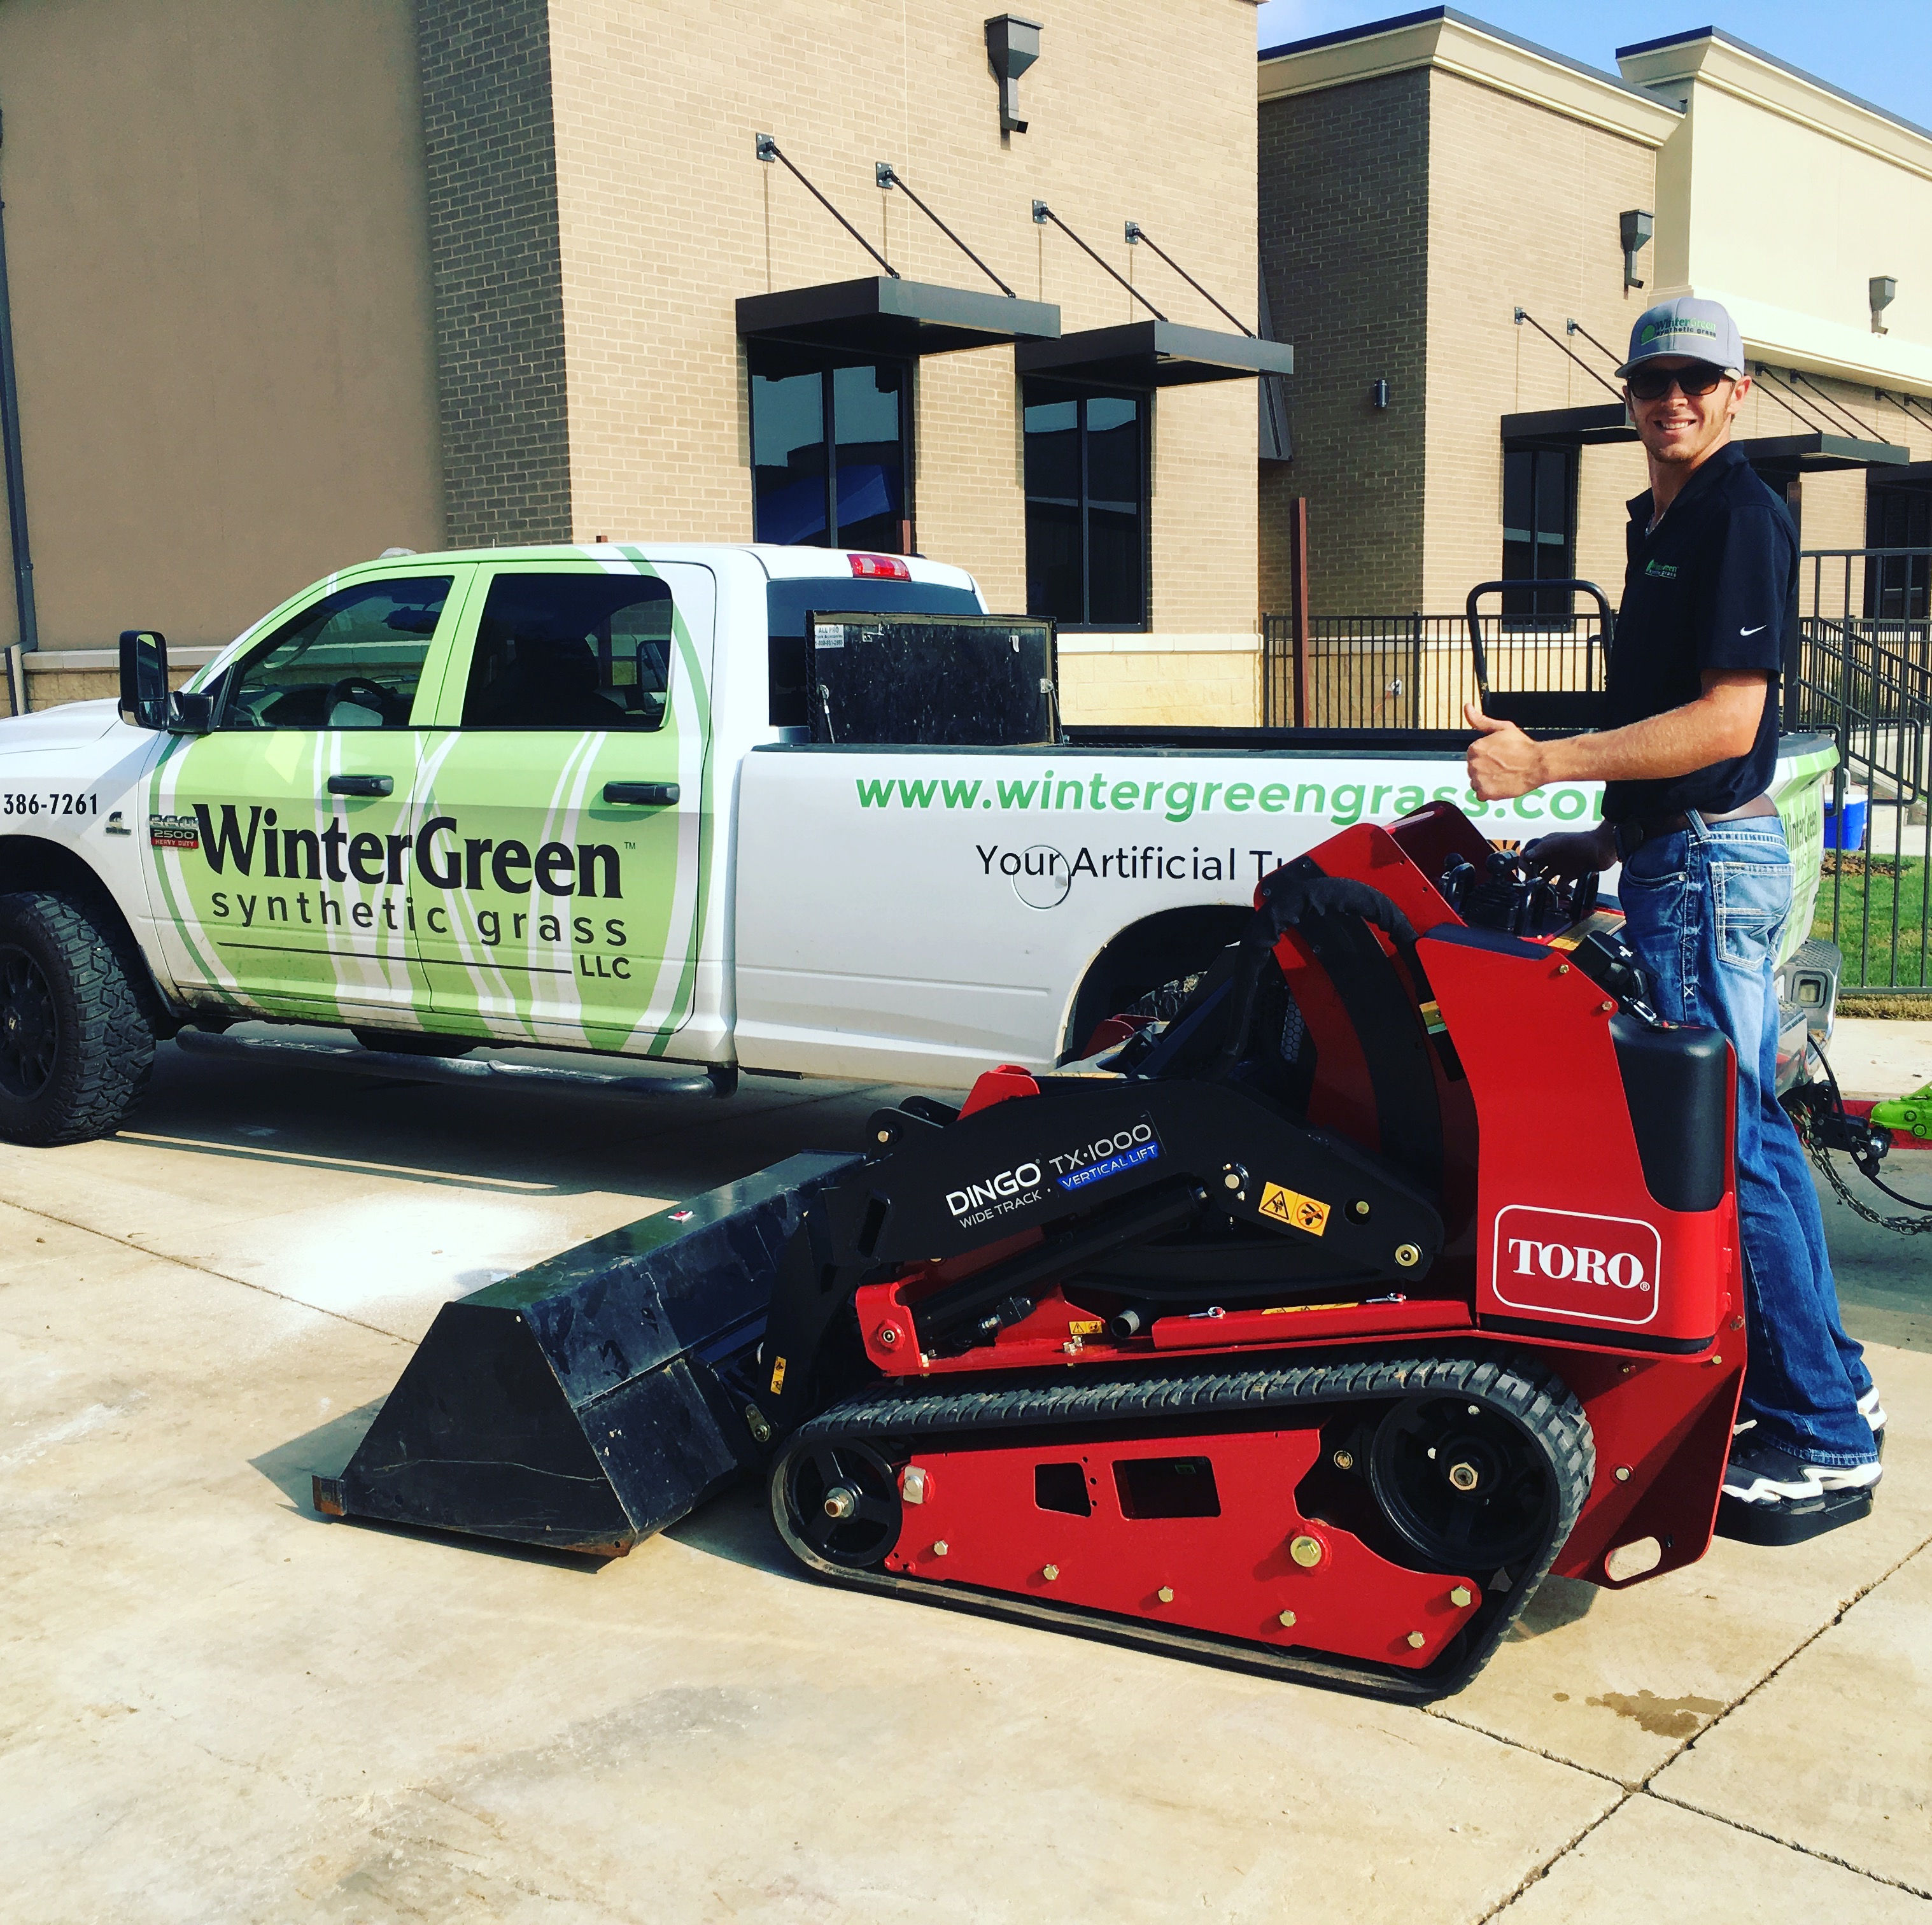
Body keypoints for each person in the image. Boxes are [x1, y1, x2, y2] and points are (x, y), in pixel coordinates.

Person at [1463, 295, 1882, 1542]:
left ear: (1740, 394)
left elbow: (1726, 726)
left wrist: (1548, 765)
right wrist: (1602, 831)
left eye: (1702, 381)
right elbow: (1680, 736)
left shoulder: (1738, 515)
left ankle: (1819, 1437)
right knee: (1751, 1133)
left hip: (1707, 863)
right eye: (1656, 380)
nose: (1677, 400)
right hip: (1680, 850)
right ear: (1630, 395)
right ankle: (1831, 1382)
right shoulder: (1666, 517)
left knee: (1735, 1143)